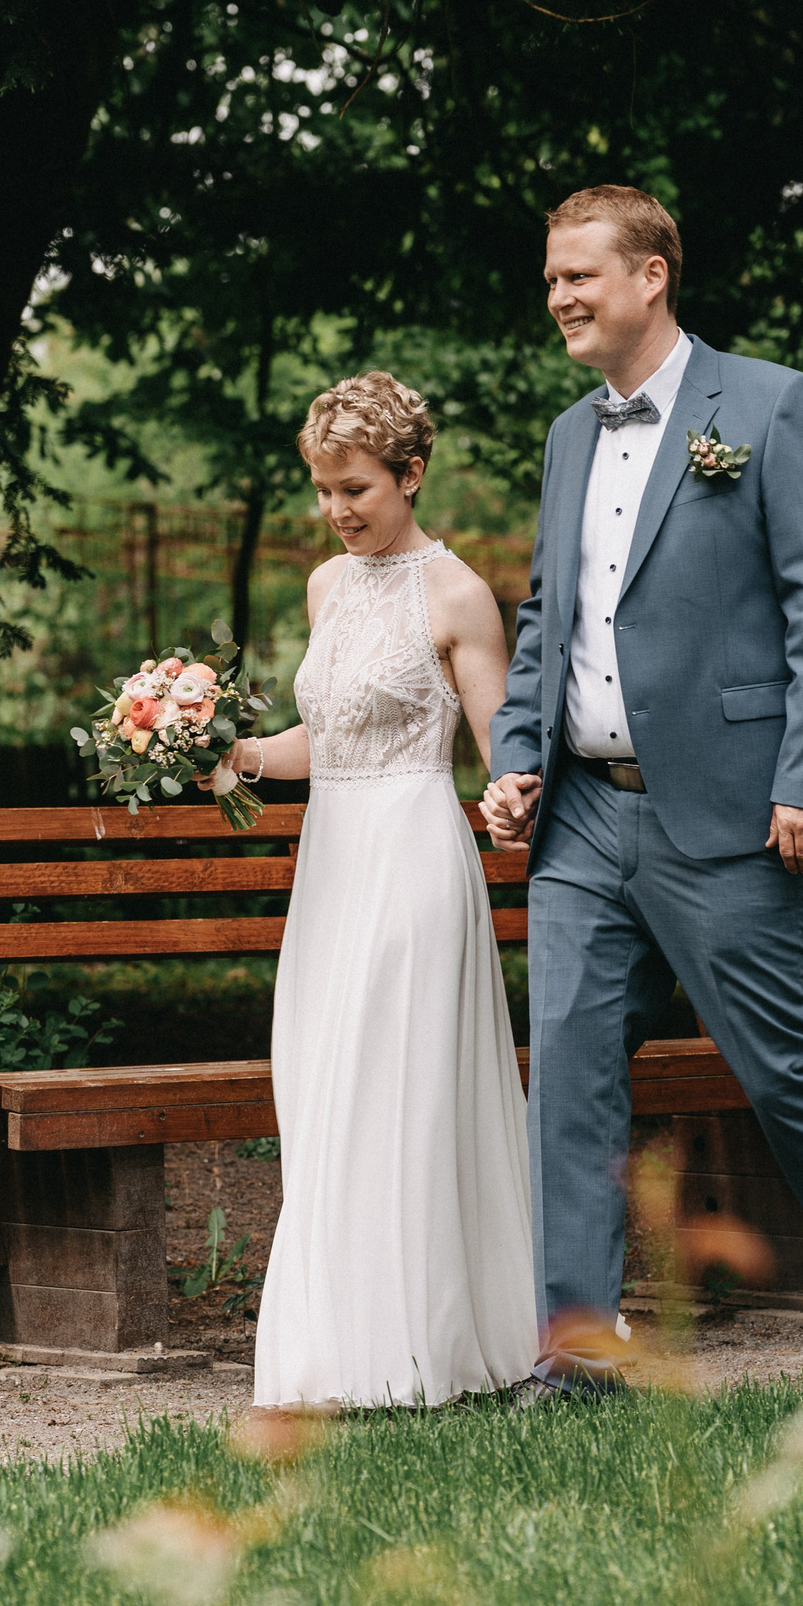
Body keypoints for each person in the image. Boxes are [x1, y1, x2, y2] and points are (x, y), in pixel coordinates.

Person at [479, 185, 803, 1391]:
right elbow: (548, 616)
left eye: (580, 274)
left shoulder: (773, 404)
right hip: (584, 818)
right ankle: (577, 1352)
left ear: (652, 276)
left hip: (736, 817)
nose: (559, 297)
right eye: (548, 279)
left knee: (781, 1072)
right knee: (570, 1084)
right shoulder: (568, 435)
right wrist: (519, 756)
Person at [228, 371, 538, 1409]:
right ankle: (339, 1349)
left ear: (410, 474)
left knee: (395, 1085)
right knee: (325, 1088)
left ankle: (423, 1349)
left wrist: (512, 797)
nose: (336, 510)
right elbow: (327, 736)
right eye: (322, 490)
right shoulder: (326, 585)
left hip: (411, 852)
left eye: (354, 487)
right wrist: (230, 754)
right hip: (332, 858)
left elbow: (499, 742)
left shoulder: (453, 593)